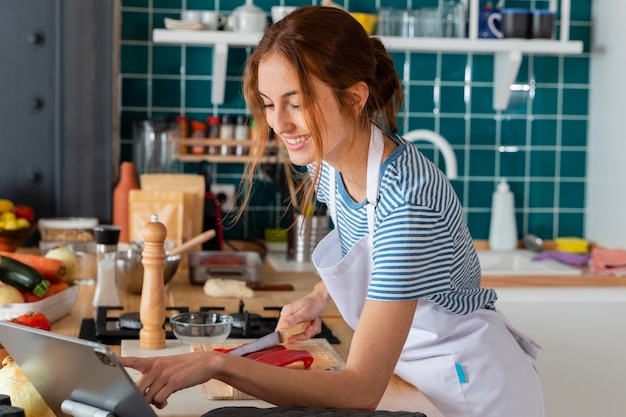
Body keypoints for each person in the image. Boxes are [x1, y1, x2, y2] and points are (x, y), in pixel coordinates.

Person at [121, 6, 544, 417]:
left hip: (469, 389)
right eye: (269, 103)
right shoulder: (328, 165)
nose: (279, 124)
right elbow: (372, 252)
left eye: (297, 102)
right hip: (409, 380)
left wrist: (219, 363)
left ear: (355, 97)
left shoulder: (408, 201)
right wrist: (317, 298)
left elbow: (360, 388)